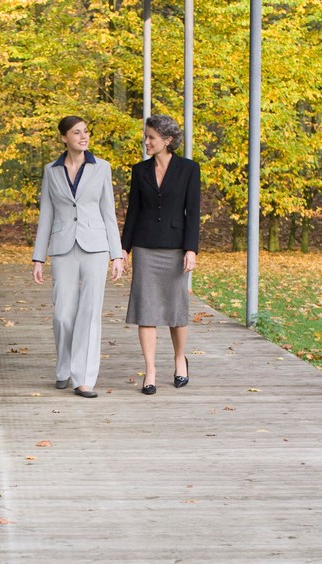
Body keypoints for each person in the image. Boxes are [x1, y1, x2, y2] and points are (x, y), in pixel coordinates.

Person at [31, 116, 125, 399]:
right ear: (64, 138)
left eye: (86, 131)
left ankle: (83, 379)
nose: (83, 137)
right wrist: (38, 257)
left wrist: (116, 254)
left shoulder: (102, 168)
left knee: (89, 313)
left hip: (96, 246)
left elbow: (109, 213)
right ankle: (64, 368)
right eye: (76, 132)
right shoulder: (52, 170)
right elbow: (46, 213)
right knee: (62, 315)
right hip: (62, 246)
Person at [121, 114, 201, 395]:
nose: (146, 142)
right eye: (146, 137)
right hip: (144, 245)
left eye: (151, 138)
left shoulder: (189, 169)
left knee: (176, 309)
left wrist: (191, 249)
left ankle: (180, 360)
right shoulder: (139, 170)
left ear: (167, 140)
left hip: (176, 246)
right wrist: (124, 248)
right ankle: (151, 369)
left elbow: (193, 213)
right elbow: (133, 211)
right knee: (146, 309)